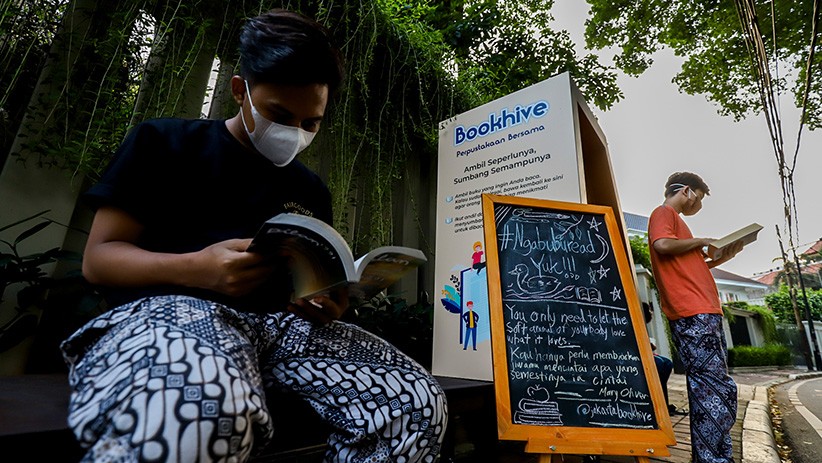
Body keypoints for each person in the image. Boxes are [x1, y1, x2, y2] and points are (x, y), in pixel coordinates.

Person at [60, 9, 447, 463]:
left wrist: (324, 298)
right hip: (174, 317)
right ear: (241, 90)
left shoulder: (309, 189)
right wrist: (196, 270)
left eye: (310, 124)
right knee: (197, 413)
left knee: (414, 403)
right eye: (279, 114)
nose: (294, 134)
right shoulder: (165, 143)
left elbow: (303, 277)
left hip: (280, 332)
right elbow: (99, 259)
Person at [648, 172, 744, 463]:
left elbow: (690, 263)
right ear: (687, 191)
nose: (697, 205)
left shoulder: (680, 226)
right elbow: (661, 245)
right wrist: (702, 239)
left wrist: (723, 255)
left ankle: (712, 455)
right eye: (698, 198)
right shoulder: (663, 213)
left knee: (713, 385)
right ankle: (711, 458)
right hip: (694, 312)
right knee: (710, 386)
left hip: (702, 310)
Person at [641, 302, 686, 417]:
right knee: (660, 364)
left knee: (667, 363)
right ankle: (658, 402)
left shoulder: (642, 326)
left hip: (645, 353)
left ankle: (663, 403)